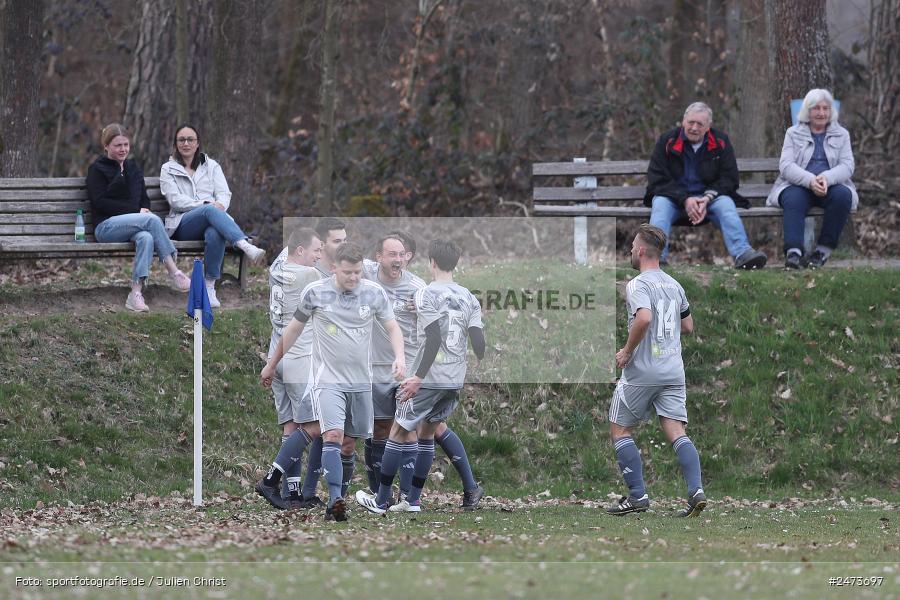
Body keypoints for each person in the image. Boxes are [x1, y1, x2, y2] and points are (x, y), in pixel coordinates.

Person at [260, 242, 405, 522]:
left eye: (358, 273)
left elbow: (392, 327)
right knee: (332, 437)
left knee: (350, 444)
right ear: (334, 268)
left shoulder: (374, 294)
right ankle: (334, 500)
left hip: (362, 383)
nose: (353, 278)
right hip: (327, 381)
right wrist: (271, 364)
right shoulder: (316, 293)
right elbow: (292, 330)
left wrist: (400, 358)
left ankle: (339, 498)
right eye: (348, 272)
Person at [356, 239, 486, 515]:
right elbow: (479, 344)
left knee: (398, 432)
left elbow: (435, 337)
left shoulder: (424, 294)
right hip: (453, 378)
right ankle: (412, 500)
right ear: (456, 263)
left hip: (427, 375)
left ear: (432, 263)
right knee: (426, 435)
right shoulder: (469, 297)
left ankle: (380, 502)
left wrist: (418, 377)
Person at [606, 224, 706, 518]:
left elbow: (645, 319)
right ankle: (696, 491)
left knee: (620, 429)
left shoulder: (638, 284)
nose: (630, 251)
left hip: (643, 371)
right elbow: (688, 326)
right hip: (673, 370)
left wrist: (626, 351)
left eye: (632, 247)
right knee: (676, 431)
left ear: (640, 250)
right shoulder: (675, 285)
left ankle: (637, 496)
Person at [646, 102, 767, 269]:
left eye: (700, 124)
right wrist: (685, 199)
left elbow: (730, 178)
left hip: (709, 200)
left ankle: (743, 254)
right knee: (659, 204)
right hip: (674, 199)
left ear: (708, 126)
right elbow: (657, 178)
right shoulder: (667, 141)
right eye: (691, 122)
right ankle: (655, 259)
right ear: (683, 121)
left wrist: (707, 198)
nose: (694, 128)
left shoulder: (720, 142)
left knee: (726, 205)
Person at [86, 123, 192, 312]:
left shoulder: (133, 169)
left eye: (126, 145)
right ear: (106, 146)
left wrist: (141, 210)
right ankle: (173, 270)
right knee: (152, 220)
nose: (123, 149)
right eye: (118, 145)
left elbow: (144, 200)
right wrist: (138, 211)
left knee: (147, 237)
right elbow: (100, 202)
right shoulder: (97, 169)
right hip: (106, 228)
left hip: (134, 228)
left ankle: (135, 294)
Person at [255, 227, 323, 510]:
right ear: (299, 251)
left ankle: (292, 493)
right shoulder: (311, 277)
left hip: (276, 356)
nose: (320, 256)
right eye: (316, 250)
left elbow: (287, 249)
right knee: (315, 425)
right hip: (298, 358)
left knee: (291, 425)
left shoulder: (276, 268)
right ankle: (271, 480)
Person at [159, 124, 266, 307]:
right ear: (176, 144)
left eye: (190, 139)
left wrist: (221, 205)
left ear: (197, 142)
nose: (186, 143)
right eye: (181, 140)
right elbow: (175, 200)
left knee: (214, 233)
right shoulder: (168, 168)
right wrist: (205, 205)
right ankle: (242, 243)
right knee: (209, 210)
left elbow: (224, 194)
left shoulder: (211, 166)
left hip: (212, 220)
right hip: (182, 224)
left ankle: (209, 288)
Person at [767, 89, 857, 269]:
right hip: (798, 185)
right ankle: (793, 254)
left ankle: (822, 252)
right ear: (807, 110)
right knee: (793, 198)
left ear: (831, 111)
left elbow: (847, 166)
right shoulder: (793, 133)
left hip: (830, 185)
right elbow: (786, 166)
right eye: (816, 108)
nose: (822, 113)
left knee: (843, 196)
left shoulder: (842, 135)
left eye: (826, 108)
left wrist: (825, 178)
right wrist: (810, 181)